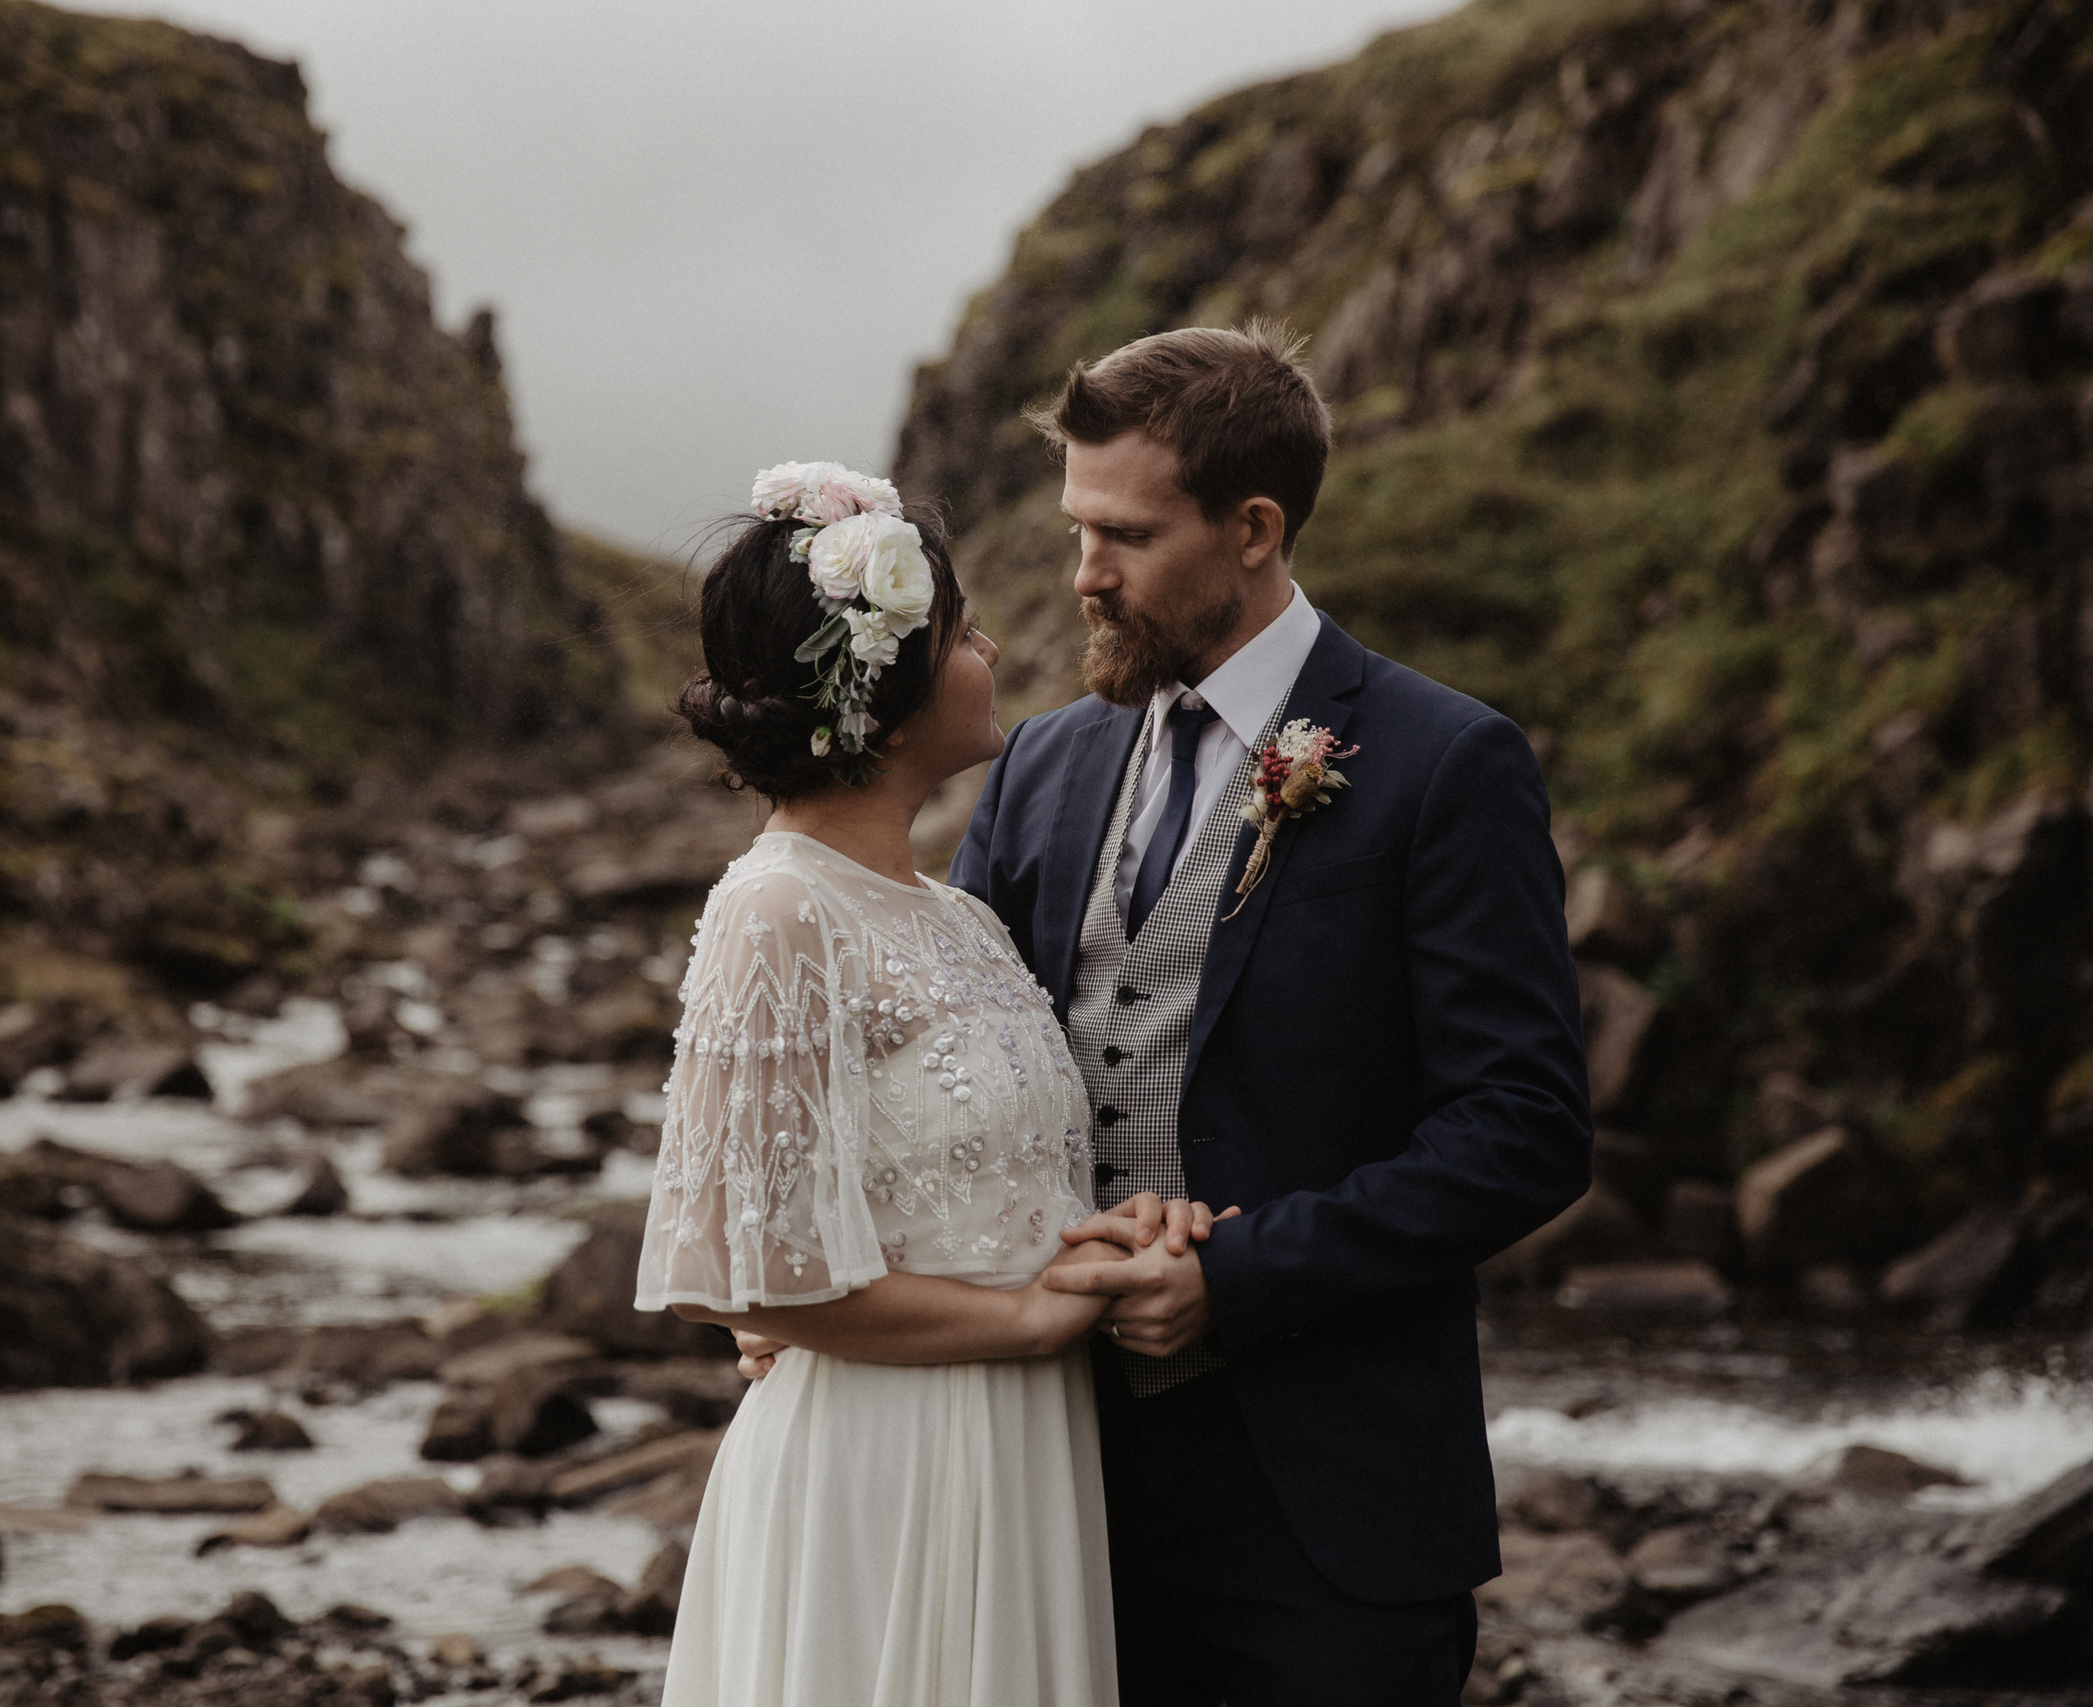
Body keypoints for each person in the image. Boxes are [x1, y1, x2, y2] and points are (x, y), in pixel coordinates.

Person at [932, 321, 1594, 1705]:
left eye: (1125, 533)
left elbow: (1526, 1127)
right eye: (1075, 526)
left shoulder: (1443, 762)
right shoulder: (1039, 766)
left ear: (1253, 527)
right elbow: (948, 1082)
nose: (1082, 574)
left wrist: (1237, 1279)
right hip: (1050, 1483)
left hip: (1329, 1514)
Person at [631, 461, 1227, 1706]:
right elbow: (738, 1272)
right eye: (959, 633)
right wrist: (1025, 1320)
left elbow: (986, 1175)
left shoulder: (954, 915)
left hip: (1026, 1452)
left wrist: (1113, 1235)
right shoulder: (778, 907)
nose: (994, 647)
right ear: (885, 694)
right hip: (886, 1464)